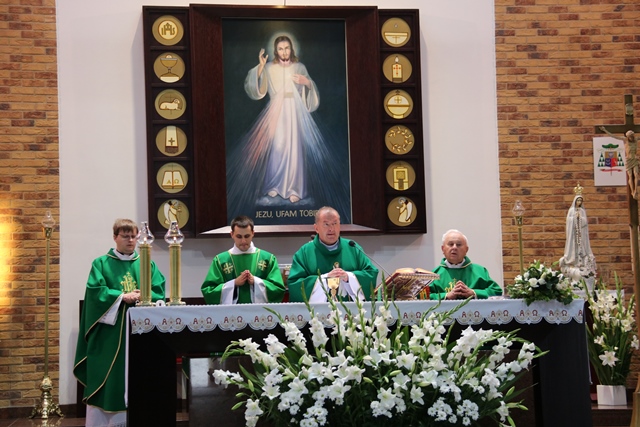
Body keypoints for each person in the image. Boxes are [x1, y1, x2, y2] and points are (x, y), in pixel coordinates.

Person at [226, 34, 350, 221]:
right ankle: (274, 185)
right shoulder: (269, 67)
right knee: (277, 148)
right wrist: (260, 67)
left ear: (292, 49)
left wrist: (307, 83)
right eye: (281, 49)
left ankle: (295, 189)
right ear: (276, 51)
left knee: (294, 150)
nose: (284, 52)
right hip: (276, 113)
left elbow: (310, 89)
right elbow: (256, 89)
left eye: (287, 48)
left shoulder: (300, 67)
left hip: (295, 113)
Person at [74, 219, 166, 427]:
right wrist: (122, 296)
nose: (130, 240)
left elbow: (159, 292)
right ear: (115, 237)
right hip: (109, 335)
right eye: (125, 236)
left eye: (133, 236)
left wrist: (142, 295)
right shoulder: (101, 264)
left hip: (140, 334)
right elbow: (96, 293)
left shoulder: (147, 264)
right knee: (108, 378)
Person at [287, 206, 379, 302]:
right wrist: (324, 279)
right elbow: (295, 285)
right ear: (316, 228)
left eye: (335, 223)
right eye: (326, 224)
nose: (331, 229)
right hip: (318, 311)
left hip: (351, 310)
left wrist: (349, 277)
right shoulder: (304, 252)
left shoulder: (353, 248)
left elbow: (370, 274)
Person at [201, 215, 285, 304]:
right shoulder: (220, 260)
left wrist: (256, 282)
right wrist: (234, 283)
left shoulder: (268, 259)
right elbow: (209, 291)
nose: (243, 241)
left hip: (259, 312)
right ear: (232, 234)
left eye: (247, 236)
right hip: (231, 312)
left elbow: (278, 290)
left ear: (253, 233)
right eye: (239, 236)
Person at [429, 229, 502, 300]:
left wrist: (473, 293)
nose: (454, 247)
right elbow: (424, 296)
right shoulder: (434, 274)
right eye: (451, 244)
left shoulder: (480, 271)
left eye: (458, 244)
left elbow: (497, 291)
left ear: (466, 249)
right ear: (443, 249)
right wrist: (446, 295)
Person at [559, 188, 596, 287]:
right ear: (575, 201)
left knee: (582, 250)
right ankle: (573, 263)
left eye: (580, 201)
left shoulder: (582, 211)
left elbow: (585, 222)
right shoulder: (571, 210)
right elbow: (569, 221)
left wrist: (580, 218)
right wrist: (574, 218)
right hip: (573, 236)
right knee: (573, 249)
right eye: (578, 200)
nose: (579, 202)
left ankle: (582, 264)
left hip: (581, 235)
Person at [600, 126, 639, 199]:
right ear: (628, 137)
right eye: (630, 136)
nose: (631, 137)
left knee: (636, 174)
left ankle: (636, 191)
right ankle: (632, 191)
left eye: (632, 136)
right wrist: (605, 130)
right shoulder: (625, 140)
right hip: (628, 160)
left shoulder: (636, 140)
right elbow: (614, 136)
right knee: (630, 175)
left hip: (635, 159)